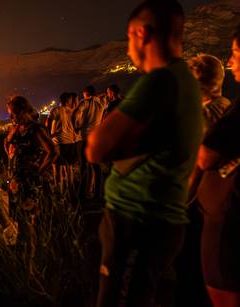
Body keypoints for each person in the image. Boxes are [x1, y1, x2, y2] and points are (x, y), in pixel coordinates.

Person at [86, 1, 203, 306]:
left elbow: (96, 147)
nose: (127, 50)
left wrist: (115, 140)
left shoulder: (158, 82)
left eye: (127, 39)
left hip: (137, 220)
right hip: (158, 220)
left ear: (141, 33)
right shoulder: (185, 80)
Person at [176, 53, 232, 307]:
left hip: (198, 211)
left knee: (191, 279)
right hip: (217, 208)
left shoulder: (205, 115)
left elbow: (197, 167)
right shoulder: (226, 106)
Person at [196, 24, 240, 307]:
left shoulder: (209, 112)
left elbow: (205, 157)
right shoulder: (227, 104)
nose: (231, 60)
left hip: (228, 231)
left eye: (236, 52)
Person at [4, 95, 58, 270]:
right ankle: (25, 258)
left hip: (29, 183)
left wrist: (37, 171)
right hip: (15, 182)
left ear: (23, 111)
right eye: (10, 115)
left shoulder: (35, 130)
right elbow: (7, 144)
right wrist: (11, 153)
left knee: (28, 222)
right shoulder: (16, 128)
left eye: (14, 114)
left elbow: (53, 152)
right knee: (20, 222)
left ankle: (31, 264)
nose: (12, 118)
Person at [48, 92, 82, 192]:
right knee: (69, 169)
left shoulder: (55, 110)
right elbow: (78, 127)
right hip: (71, 143)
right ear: (68, 101)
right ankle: (70, 190)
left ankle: (59, 191)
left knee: (57, 169)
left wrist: (49, 136)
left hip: (58, 143)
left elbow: (48, 123)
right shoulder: (74, 112)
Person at [77, 85, 104, 199]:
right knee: (96, 167)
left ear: (86, 94)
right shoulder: (100, 103)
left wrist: (76, 125)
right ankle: (97, 192)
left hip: (86, 136)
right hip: (96, 136)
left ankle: (82, 192)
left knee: (84, 166)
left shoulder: (85, 102)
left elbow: (77, 112)